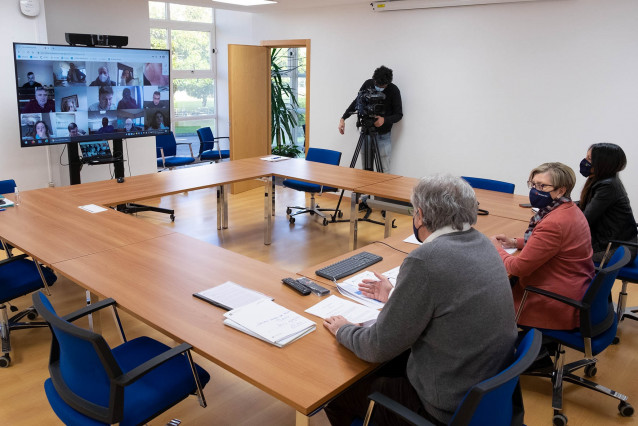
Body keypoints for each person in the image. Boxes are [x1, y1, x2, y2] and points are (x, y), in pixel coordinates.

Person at [323, 175, 518, 426]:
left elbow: (376, 347)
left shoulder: (425, 260)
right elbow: (448, 301)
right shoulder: (483, 242)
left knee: (338, 395)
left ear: (421, 215)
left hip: (444, 406)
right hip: (482, 390)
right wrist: (395, 294)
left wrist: (343, 330)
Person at [490, 162, 595, 330]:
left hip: (553, 301)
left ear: (561, 190)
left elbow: (517, 268)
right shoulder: (569, 209)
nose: (535, 190)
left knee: (484, 302)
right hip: (574, 285)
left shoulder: (554, 223)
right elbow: (554, 244)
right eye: (533, 184)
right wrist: (514, 242)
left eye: (542, 186)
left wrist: (496, 249)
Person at [578, 143, 637, 262]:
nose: (585, 161)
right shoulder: (605, 180)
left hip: (615, 248)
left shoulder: (608, 186)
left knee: (559, 254)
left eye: (589, 159)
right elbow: (586, 204)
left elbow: (584, 220)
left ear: (602, 163)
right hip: (612, 242)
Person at [338, 65, 403, 174]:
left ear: (388, 83)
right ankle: (367, 191)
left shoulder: (394, 90)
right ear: (374, 80)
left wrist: (384, 120)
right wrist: (343, 118)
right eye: (377, 84)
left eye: (382, 86)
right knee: (366, 172)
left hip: (383, 135)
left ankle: (382, 191)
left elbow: (399, 115)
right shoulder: (368, 84)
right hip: (366, 133)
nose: (379, 87)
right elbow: (356, 102)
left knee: (384, 171)